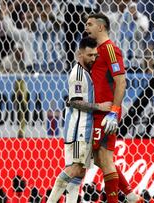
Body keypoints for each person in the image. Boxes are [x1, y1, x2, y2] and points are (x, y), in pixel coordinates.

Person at [85, 13, 143, 203]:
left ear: (101, 27)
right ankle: (132, 197)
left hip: (106, 113)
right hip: (97, 112)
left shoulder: (110, 49)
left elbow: (121, 82)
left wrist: (114, 111)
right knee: (99, 159)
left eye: (90, 24)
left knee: (105, 158)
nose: (86, 27)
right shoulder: (96, 51)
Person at [47, 37, 112, 203]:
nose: (93, 58)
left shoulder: (86, 72)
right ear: (79, 54)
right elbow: (75, 101)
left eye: (95, 55)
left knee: (80, 173)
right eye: (89, 55)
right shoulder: (77, 74)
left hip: (84, 130)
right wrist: (100, 107)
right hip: (79, 131)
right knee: (75, 168)